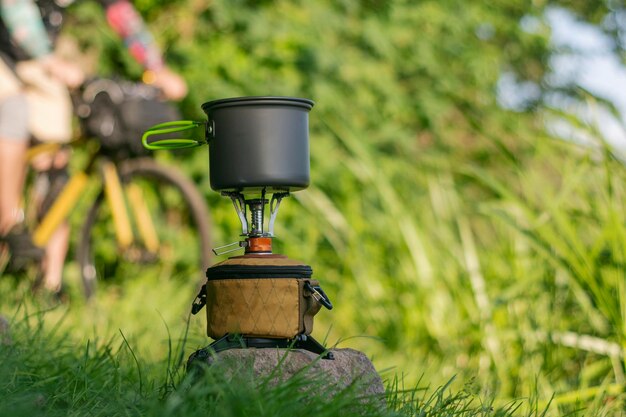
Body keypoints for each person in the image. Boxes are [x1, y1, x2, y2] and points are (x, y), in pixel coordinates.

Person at [0, 0, 187, 295]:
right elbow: (15, 8)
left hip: (38, 65)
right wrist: (49, 58)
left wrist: (157, 68)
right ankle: (8, 223)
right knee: (14, 111)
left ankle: (50, 282)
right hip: (7, 59)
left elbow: (122, 15)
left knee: (57, 156)